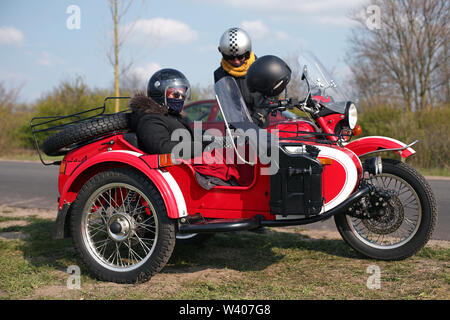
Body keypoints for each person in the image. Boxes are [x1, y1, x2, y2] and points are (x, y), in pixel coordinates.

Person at [129, 68, 249, 189]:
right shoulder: (150, 119)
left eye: (183, 94)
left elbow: (190, 135)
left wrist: (219, 140)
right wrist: (200, 147)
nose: (181, 97)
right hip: (177, 171)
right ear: (160, 94)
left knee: (240, 159)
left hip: (189, 163)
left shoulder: (172, 116)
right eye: (176, 94)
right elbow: (162, 147)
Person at [214, 27, 270, 128]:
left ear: (247, 53)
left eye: (240, 57)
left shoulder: (261, 68)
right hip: (236, 129)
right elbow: (225, 104)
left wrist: (257, 118)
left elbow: (270, 97)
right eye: (230, 57)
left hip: (261, 126)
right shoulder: (219, 74)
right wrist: (237, 125)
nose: (236, 61)